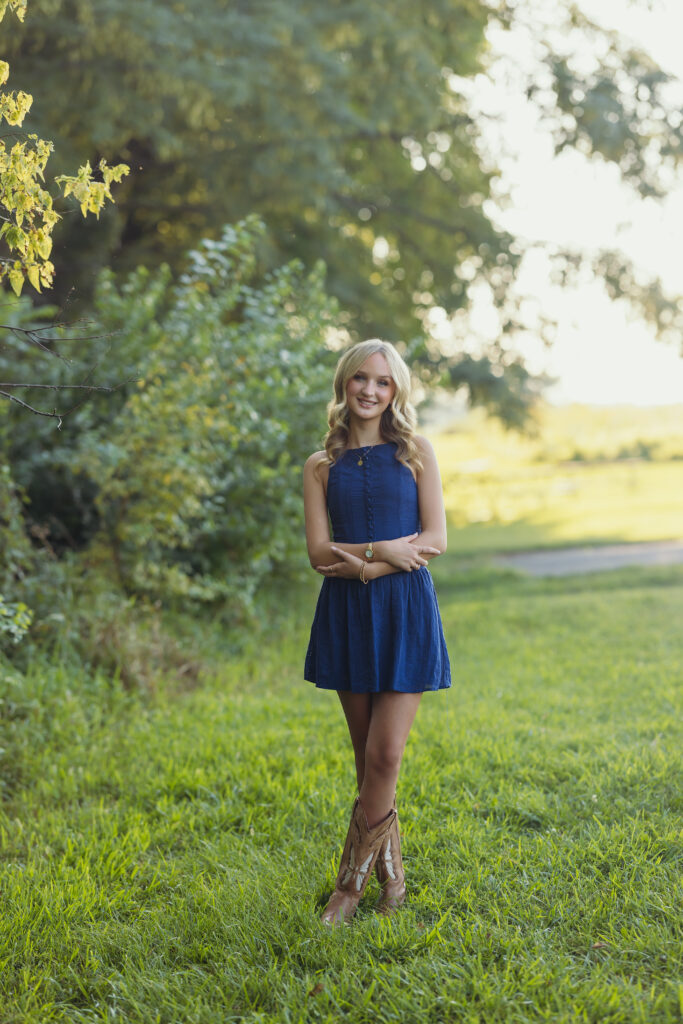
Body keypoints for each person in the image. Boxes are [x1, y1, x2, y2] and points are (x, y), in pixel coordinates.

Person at [303, 338, 451, 927]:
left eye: (383, 382)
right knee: (367, 765)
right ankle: (393, 877)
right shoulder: (320, 465)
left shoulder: (416, 451)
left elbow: (435, 538)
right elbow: (318, 553)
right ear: (345, 384)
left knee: (386, 755)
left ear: (397, 391)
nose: (370, 390)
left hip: (405, 608)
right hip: (345, 612)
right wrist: (377, 548)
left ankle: (348, 890)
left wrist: (369, 564)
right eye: (361, 378)